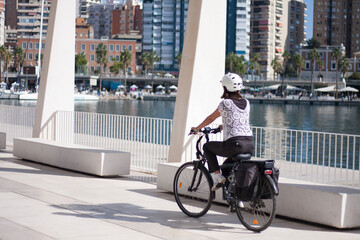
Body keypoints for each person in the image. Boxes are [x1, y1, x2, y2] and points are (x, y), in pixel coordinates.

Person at [191, 73, 254, 191]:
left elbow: (210, 118)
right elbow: (238, 120)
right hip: (249, 144)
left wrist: (197, 128)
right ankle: (234, 200)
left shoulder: (225, 103)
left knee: (207, 147)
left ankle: (218, 177)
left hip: (234, 144)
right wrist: (222, 126)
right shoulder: (246, 102)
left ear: (225, 87)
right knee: (226, 168)